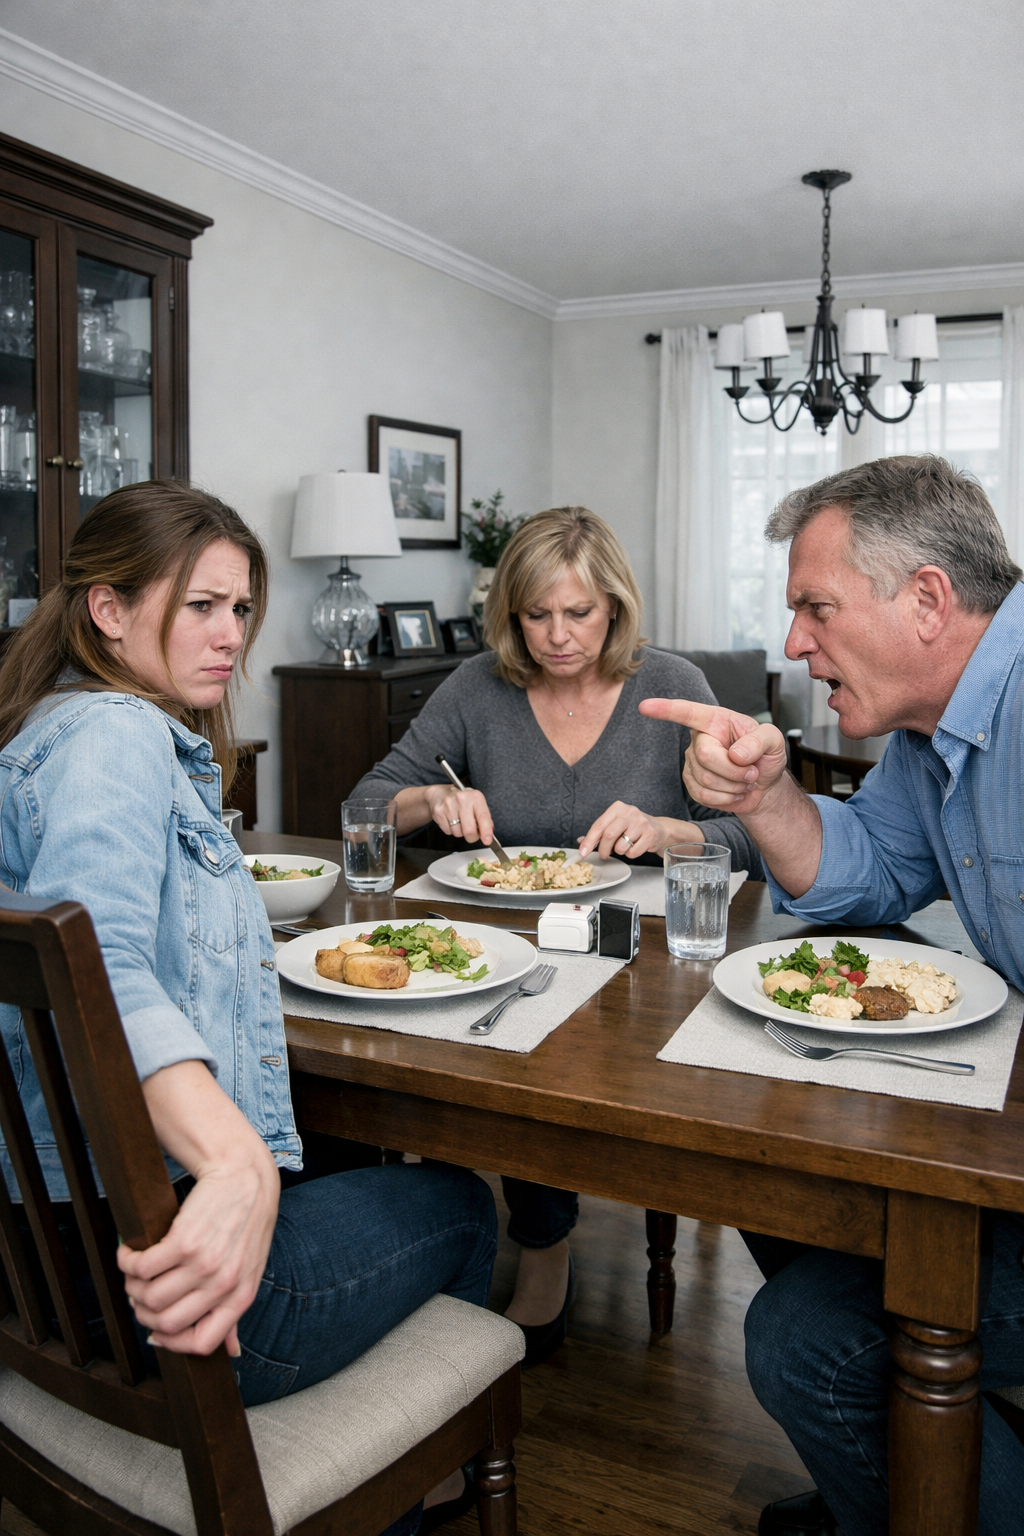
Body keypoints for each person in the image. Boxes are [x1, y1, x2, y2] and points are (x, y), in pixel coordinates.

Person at [0, 481, 498, 1536]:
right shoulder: (116, 738)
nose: (231, 637)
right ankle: (407, 1490)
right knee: (461, 1203)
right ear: (110, 610)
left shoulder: (38, 733)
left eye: (241, 610)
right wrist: (237, 1165)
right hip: (161, 1292)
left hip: (35, 1267)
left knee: (357, 1165)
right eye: (201, 608)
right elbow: (103, 963)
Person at [640, 456, 1024, 1536]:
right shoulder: (927, 733)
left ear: (929, 600)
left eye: (815, 607)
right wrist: (765, 794)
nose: (796, 643)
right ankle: (900, 1483)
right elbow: (855, 869)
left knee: (808, 1340)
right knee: (793, 1188)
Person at [353, 504, 761, 1365]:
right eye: (536, 614)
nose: (557, 636)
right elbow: (362, 807)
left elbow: (750, 840)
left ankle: (543, 1241)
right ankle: (528, 1248)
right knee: (498, 1049)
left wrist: (669, 831)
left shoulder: (674, 685)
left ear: (614, 605)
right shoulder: (477, 688)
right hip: (508, 949)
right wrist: (430, 802)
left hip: (641, 961)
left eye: (578, 613)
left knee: (575, 1056)